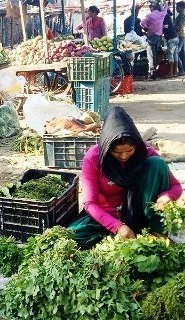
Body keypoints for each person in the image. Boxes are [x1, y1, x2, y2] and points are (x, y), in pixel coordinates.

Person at [68, 106, 182, 248]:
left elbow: (176, 187)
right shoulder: (94, 158)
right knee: (70, 237)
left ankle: (153, 230)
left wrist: (167, 196)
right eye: (117, 152)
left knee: (156, 164)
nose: (123, 156)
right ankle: (125, 232)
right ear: (107, 146)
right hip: (108, 215)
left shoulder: (145, 152)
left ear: (136, 145)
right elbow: (90, 204)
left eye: (129, 150)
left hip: (139, 213)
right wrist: (117, 226)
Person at [141, 1, 168, 80]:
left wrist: (147, 27)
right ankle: (154, 71)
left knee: (150, 54)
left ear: (152, 8)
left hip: (151, 36)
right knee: (155, 54)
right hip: (159, 36)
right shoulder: (162, 14)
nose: (150, 8)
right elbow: (165, 9)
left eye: (150, 7)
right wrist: (166, 3)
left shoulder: (149, 16)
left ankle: (152, 72)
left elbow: (142, 23)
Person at [163, 8, 179, 77]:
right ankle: (175, 72)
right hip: (175, 37)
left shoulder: (165, 16)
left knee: (170, 55)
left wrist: (161, 33)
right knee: (175, 55)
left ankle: (170, 73)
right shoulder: (169, 16)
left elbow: (165, 28)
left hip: (171, 38)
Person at [175, 1, 185, 75]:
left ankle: (181, 70)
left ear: (182, 7)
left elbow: (180, 26)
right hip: (182, 35)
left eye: (177, 7)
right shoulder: (181, 14)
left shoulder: (181, 15)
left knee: (176, 53)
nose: (176, 8)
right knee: (182, 54)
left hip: (180, 35)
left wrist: (172, 28)